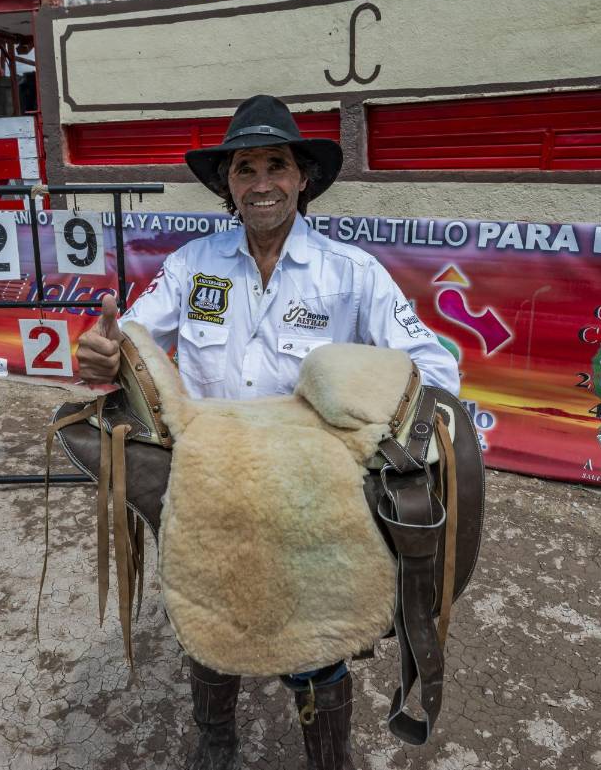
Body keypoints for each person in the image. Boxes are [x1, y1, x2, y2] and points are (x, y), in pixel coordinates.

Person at [76, 95, 459, 770]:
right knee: (208, 615)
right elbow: (131, 339)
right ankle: (215, 739)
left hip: (311, 498)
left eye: (275, 165)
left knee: (315, 637)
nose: (260, 183)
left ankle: (327, 758)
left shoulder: (351, 274)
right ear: (226, 182)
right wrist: (105, 354)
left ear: (302, 176)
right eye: (244, 168)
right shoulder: (193, 265)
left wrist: (378, 421)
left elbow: (434, 366)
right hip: (210, 485)